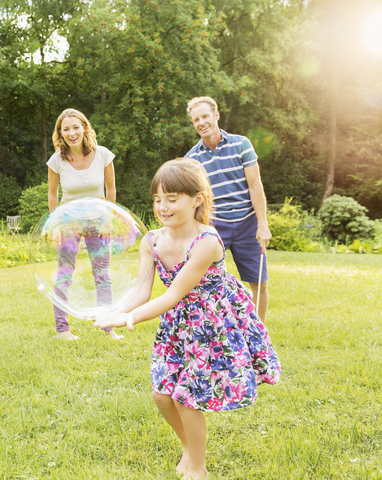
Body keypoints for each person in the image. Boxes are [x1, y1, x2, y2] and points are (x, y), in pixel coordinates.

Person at [94, 158, 281, 480]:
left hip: (213, 325)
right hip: (177, 326)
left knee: (187, 398)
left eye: (172, 198)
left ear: (196, 199)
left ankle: (198, 466)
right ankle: (190, 447)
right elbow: (142, 290)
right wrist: (118, 311)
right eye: (157, 199)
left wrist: (130, 319)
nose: (162, 207)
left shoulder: (206, 242)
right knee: (162, 395)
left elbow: (172, 295)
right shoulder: (151, 240)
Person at [185, 97, 271, 322]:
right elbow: (194, 199)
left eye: (205, 116)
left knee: (259, 282)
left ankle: (258, 331)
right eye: (196, 119)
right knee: (202, 281)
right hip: (215, 225)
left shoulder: (241, 144)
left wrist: (263, 224)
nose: (201, 122)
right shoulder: (191, 159)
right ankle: (211, 326)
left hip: (247, 222)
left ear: (216, 115)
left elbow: (255, 185)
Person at [47, 108, 122, 340]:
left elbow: (111, 189)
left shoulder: (103, 155)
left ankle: (108, 328)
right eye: (65, 129)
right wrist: (56, 224)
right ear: (60, 133)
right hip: (69, 223)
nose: (72, 133)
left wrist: (108, 219)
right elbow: (52, 194)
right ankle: (63, 329)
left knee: (102, 274)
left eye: (75, 127)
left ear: (84, 128)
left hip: (98, 221)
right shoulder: (56, 160)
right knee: (65, 274)